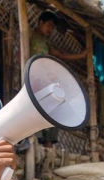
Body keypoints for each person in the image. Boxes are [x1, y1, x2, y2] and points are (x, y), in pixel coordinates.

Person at [31, 10, 87, 148]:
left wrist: (81, 55)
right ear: (41, 23)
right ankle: (36, 144)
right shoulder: (29, 34)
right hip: (33, 81)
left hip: (46, 83)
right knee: (36, 112)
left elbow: (60, 54)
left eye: (52, 28)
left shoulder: (45, 43)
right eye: (49, 25)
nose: (50, 30)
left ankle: (49, 145)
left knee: (52, 111)